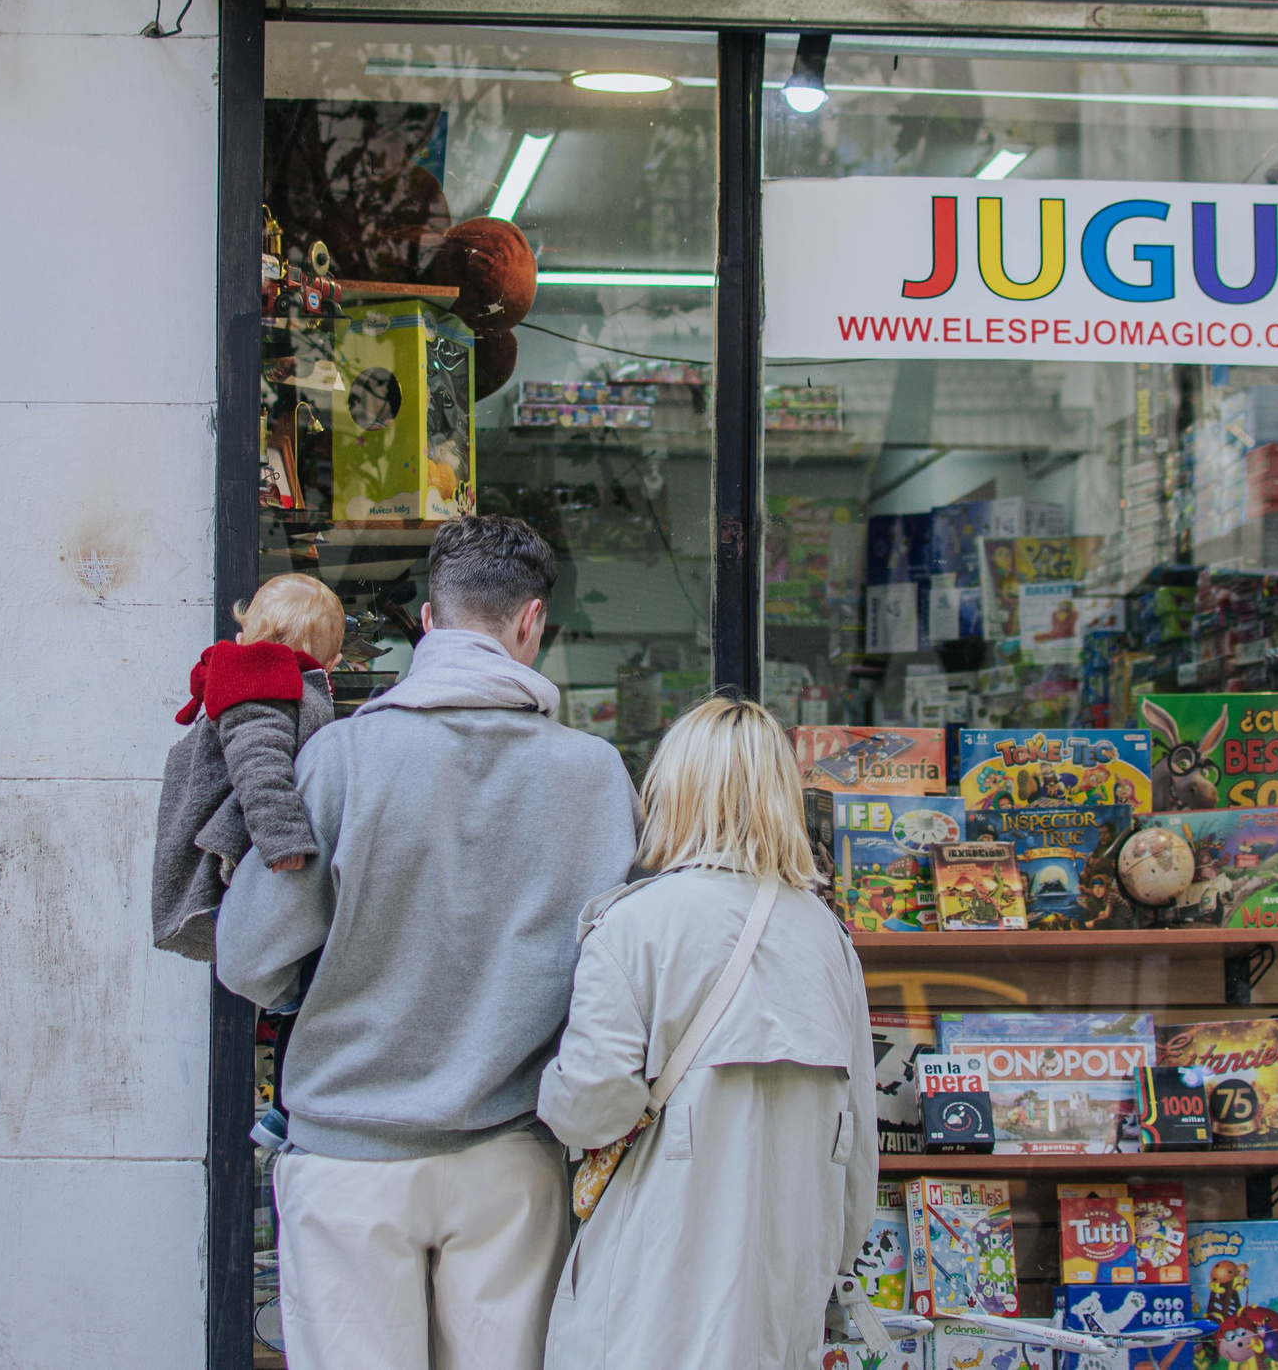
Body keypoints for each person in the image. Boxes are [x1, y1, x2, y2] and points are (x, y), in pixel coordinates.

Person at [216, 515, 638, 1370]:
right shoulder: (594, 775)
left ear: (430, 623)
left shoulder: (341, 757)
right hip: (510, 1156)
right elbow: (615, 981)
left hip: (345, 1154)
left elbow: (248, 957)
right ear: (531, 623)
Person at [537, 694, 876, 1370]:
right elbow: (857, 1144)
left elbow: (589, 1104)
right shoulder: (829, 941)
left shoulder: (634, 924)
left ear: (676, 791)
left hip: (652, 1289)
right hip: (781, 1302)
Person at [153, 571, 344, 961]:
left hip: (246, 844)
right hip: (242, 849)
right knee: (267, 948)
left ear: (244, 636)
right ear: (333, 663)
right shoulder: (263, 681)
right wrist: (283, 837)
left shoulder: (270, 682)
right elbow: (259, 763)